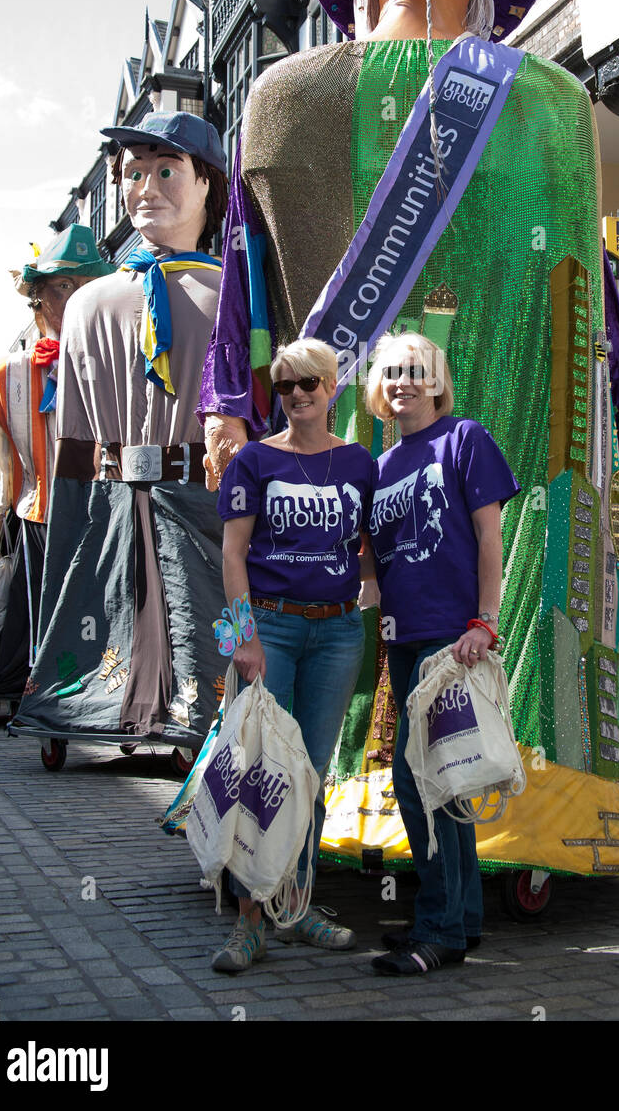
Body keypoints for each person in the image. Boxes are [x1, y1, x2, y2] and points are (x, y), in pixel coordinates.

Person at [198, 0, 619, 882]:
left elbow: (586, 289)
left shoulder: (551, 102)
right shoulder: (285, 102)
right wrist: (228, 403)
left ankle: (537, 808)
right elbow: (245, 278)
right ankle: (295, 803)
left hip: (514, 442)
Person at [12, 112, 229, 749]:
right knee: (108, 605)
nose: (147, 188)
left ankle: (197, 712)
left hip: (202, 489)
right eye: (134, 174)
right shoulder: (88, 303)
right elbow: (73, 428)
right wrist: (73, 502)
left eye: (166, 171)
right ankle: (96, 706)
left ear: (207, 185)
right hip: (109, 489)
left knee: (198, 613)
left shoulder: (237, 291)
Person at [211, 338, 374, 973]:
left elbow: (370, 550)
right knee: (259, 769)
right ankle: (248, 922)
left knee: (309, 771)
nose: (299, 394)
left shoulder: (361, 463)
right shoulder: (253, 460)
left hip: (337, 635)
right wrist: (242, 639)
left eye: (310, 382)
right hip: (270, 633)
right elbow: (231, 556)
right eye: (286, 386)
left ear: (332, 388)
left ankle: (298, 905)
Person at [362, 333, 518, 974]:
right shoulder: (381, 464)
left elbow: (489, 537)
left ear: (435, 378)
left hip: (452, 638)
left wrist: (485, 619)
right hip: (403, 637)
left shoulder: (466, 439)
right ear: (380, 385)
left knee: (423, 778)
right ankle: (462, 920)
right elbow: (373, 548)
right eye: (392, 373)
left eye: (415, 371)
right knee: (441, 775)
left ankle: (438, 930)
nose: (403, 383)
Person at [0, 226, 113, 706]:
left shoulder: (116, 361)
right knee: (35, 611)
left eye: (86, 286)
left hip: (105, 513)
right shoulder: (3, 374)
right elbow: (4, 466)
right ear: (36, 296)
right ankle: (29, 684)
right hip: (37, 513)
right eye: (63, 286)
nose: (75, 298)